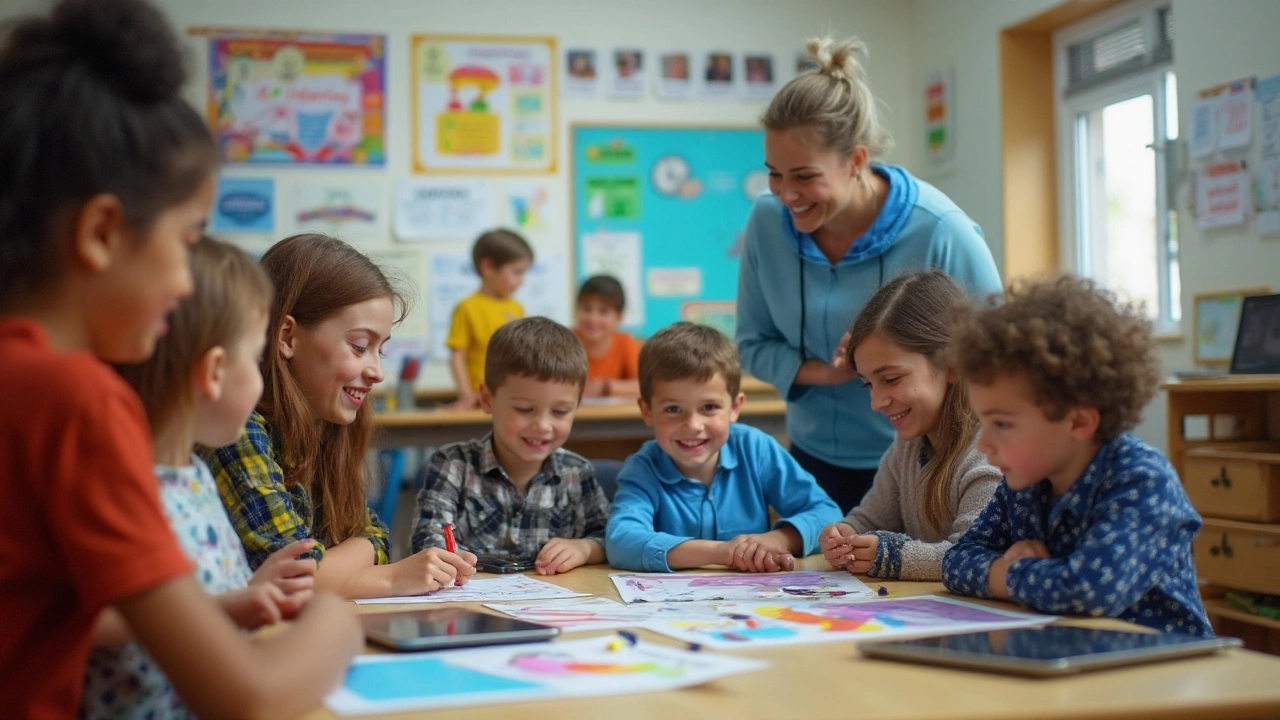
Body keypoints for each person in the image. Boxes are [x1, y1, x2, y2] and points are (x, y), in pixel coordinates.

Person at [0, 2, 359, 718]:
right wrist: (337, 623)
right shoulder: (73, 398)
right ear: (103, 231)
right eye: (188, 236)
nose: (186, 281)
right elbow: (245, 696)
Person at [736, 35, 1002, 513]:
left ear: (857, 160)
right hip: (812, 462)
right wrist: (831, 373)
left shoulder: (943, 230)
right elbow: (752, 343)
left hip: (928, 465)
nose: (785, 194)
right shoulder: (765, 222)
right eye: (774, 174)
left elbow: (997, 358)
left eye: (804, 176)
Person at [84, 237, 323, 718]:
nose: (261, 382)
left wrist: (252, 585)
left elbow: (196, 591)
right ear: (214, 371)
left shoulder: (192, 474)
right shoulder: (119, 485)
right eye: (256, 359)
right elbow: (86, 620)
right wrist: (229, 608)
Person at [202, 234, 478, 599]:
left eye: (381, 350)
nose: (378, 371)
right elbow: (293, 574)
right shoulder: (238, 429)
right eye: (360, 347)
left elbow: (377, 537)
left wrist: (353, 556)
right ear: (287, 337)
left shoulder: (325, 427)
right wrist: (391, 579)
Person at [942, 276, 1213, 637]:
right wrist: (1024, 573)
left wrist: (1005, 573)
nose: (983, 445)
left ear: (1080, 421)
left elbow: (1088, 591)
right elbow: (956, 562)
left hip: (1164, 675)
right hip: (1075, 660)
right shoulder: (1022, 482)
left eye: (1002, 424)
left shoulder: (1143, 479)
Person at [605, 323, 842, 572]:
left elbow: (828, 514)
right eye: (673, 409)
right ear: (647, 411)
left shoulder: (756, 449)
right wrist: (723, 552)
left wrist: (776, 540)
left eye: (709, 407)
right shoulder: (643, 468)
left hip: (754, 603)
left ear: (735, 407)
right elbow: (621, 541)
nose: (693, 425)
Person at [816, 271, 1000, 581]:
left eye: (891, 379)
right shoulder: (907, 447)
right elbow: (868, 519)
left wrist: (889, 556)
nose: (876, 403)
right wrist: (842, 536)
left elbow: (973, 555)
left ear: (952, 364)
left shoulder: (991, 453)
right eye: (868, 385)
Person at [412, 317, 611, 575]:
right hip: (469, 606)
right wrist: (448, 559)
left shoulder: (577, 472)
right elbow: (425, 542)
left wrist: (584, 549)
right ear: (487, 400)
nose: (542, 425)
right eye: (524, 409)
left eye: (560, 412)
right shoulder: (453, 466)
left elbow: (612, 540)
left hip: (549, 608)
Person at [448, 228, 533, 409]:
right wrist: (466, 395)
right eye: (517, 272)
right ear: (487, 267)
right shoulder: (467, 307)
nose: (521, 281)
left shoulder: (517, 308)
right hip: (481, 402)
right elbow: (457, 356)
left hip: (513, 400)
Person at [574, 275, 641, 398]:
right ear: (576, 310)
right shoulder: (566, 341)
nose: (593, 318)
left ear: (619, 317)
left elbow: (646, 386)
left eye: (603, 311)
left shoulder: (625, 343)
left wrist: (607, 387)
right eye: (586, 308)